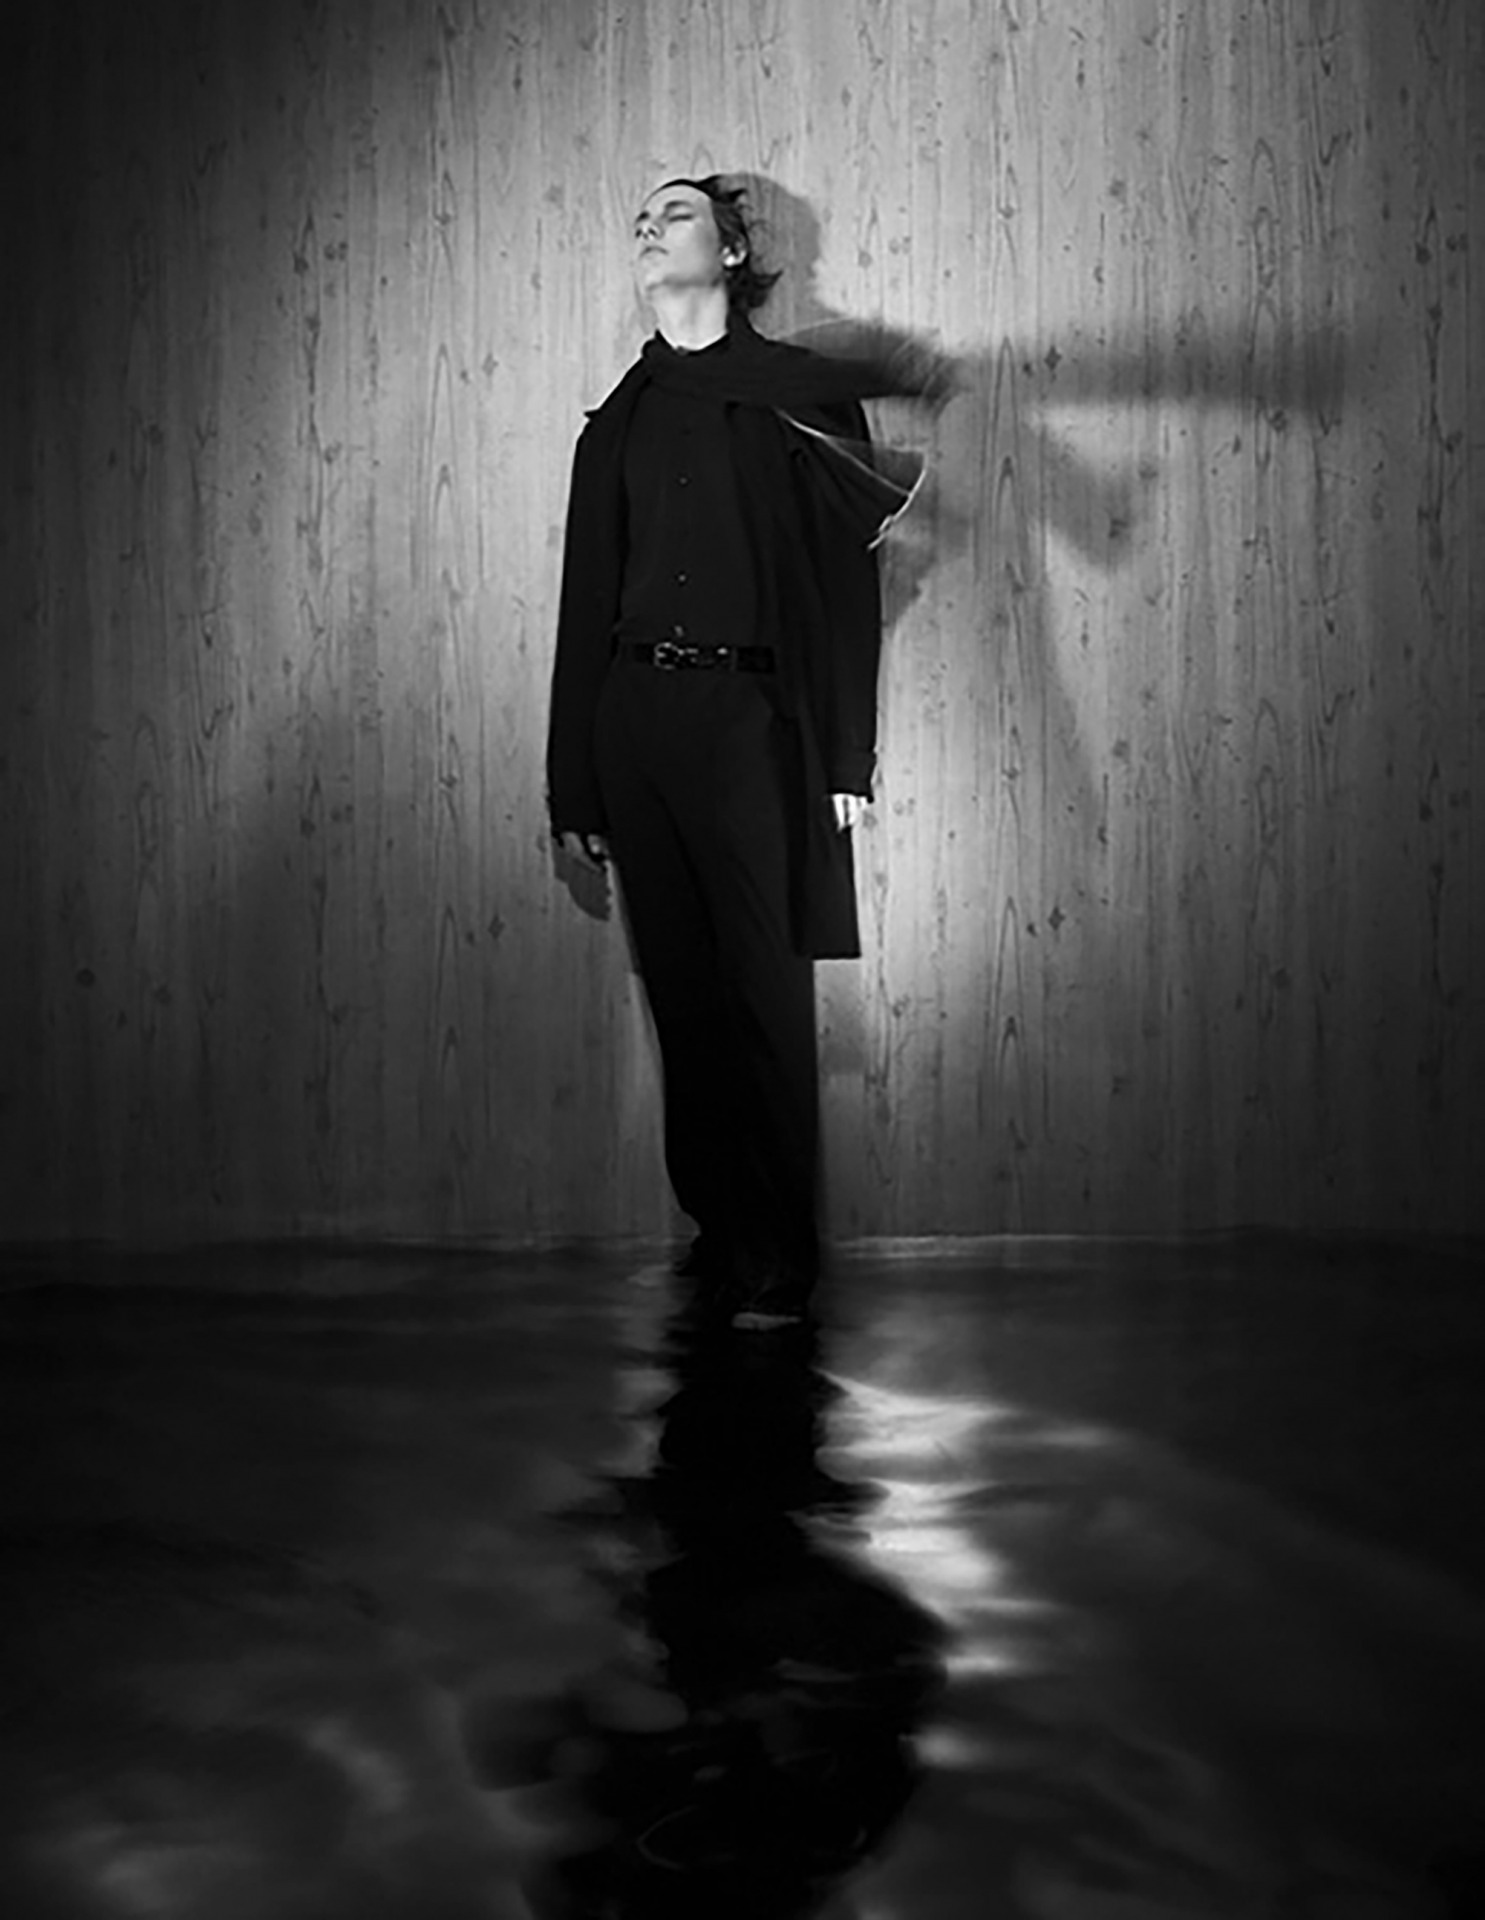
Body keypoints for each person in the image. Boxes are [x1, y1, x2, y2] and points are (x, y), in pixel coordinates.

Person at [546, 175, 930, 1330]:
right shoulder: (618, 420)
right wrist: (573, 782)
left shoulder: (798, 397)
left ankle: (775, 1255)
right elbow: (585, 602)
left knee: (762, 993)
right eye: (640, 218)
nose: (647, 226)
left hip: (751, 723)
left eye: (674, 215)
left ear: (730, 252)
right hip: (636, 724)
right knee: (683, 995)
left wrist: (847, 757)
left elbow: (846, 585)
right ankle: (720, 1230)